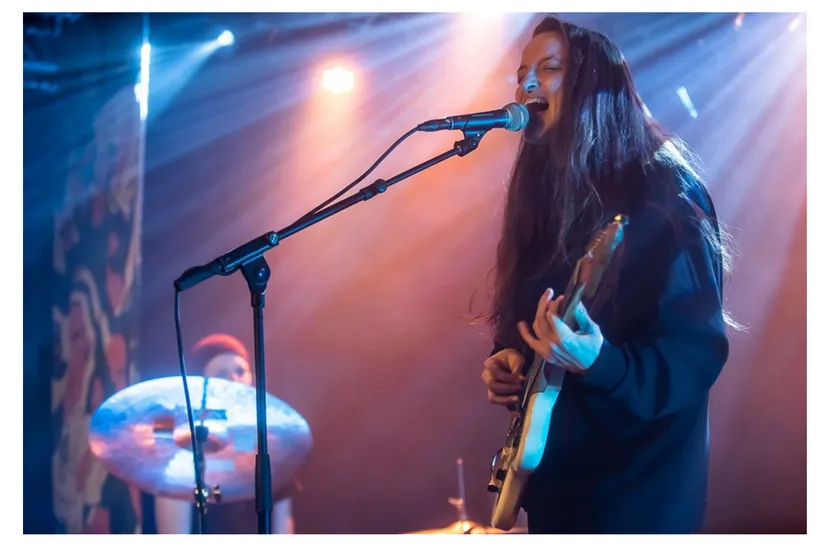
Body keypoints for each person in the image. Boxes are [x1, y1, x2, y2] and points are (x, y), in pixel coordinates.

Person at [480, 15, 736, 534]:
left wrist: (602, 362)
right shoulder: (545, 196)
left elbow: (694, 355)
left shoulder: (666, 197)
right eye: (522, 71)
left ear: (593, 84)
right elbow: (530, 313)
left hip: (637, 500)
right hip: (558, 492)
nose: (525, 84)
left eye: (548, 69)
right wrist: (509, 354)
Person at [154, 333, 296, 534]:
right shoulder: (184, 452)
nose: (233, 379)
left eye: (240, 371)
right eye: (221, 373)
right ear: (200, 385)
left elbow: (283, 531)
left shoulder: (270, 447)